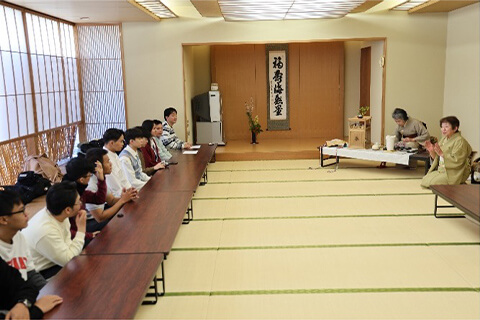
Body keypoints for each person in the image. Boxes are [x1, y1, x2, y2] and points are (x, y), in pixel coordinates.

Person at [22, 182, 87, 279]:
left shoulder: (58, 213)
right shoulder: (45, 231)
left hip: (54, 259)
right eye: (79, 202)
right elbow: (69, 260)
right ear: (68, 210)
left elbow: (67, 242)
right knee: (82, 269)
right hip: (38, 273)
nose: (81, 204)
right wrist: (81, 229)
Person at [0, 190, 47, 291]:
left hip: (24, 294)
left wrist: (48, 291)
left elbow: (30, 273)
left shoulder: (18, 236)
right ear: (3, 220)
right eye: (21, 211)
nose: (27, 214)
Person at [84, 148, 137, 230]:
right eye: (108, 162)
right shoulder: (91, 185)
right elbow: (100, 217)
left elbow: (111, 200)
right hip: (90, 222)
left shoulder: (99, 178)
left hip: (100, 215)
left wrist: (127, 196)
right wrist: (122, 200)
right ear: (98, 165)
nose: (111, 164)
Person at [421, 116, 473, 188]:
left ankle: (459, 182)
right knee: (425, 180)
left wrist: (441, 153)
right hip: (442, 169)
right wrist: (431, 150)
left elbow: (457, 161)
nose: (443, 129)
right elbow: (437, 158)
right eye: (442, 127)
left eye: (446, 127)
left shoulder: (460, 141)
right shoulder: (444, 139)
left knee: (432, 183)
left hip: (454, 172)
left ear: (455, 128)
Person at [62, 157, 106, 237]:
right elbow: (64, 231)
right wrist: (89, 235)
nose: (91, 177)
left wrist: (101, 179)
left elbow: (100, 199)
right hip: (74, 236)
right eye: (90, 175)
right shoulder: (67, 196)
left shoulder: (79, 190)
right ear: (82, 180)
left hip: (80, 229)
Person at [103, 128, 133, 198]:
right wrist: (126, 195)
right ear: (112, 143)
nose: (123, 144)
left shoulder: (114, 154)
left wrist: (130, 189)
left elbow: (123, 177)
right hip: (115, 198)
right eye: (121, 141)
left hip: (123, 194)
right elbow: (114, 187)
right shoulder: (104, 158)